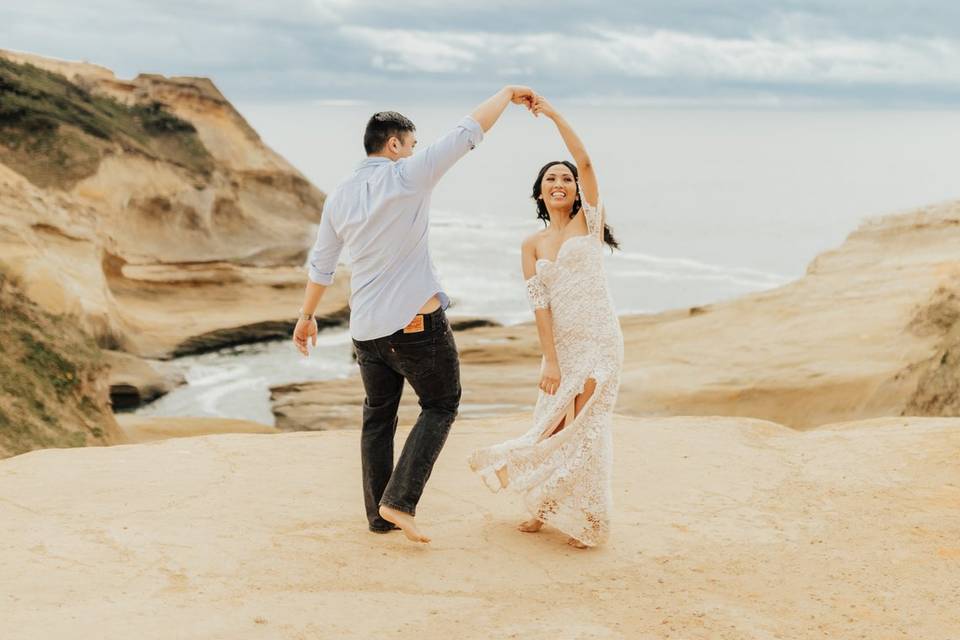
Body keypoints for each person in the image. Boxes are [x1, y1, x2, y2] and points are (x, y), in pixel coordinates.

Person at [292, 86, 537, 544]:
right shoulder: (408, 176)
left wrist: (307, 317)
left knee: (378, 417)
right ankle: (399, 501)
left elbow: (322, 264)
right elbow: (468, 132)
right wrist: (506, 94)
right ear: (394, 145)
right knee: (441, 404)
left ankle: (379, 515)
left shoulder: (339, 196)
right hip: (414, 327)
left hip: (365, 331)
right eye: (412, 144)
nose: (415, 151)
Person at [468, 95, 624, 548]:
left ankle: (592, 521)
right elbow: (540, 306)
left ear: (577, 190)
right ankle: (543, 506)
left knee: (585, 429)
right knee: (551, 426)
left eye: (567, 179)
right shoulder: (531, 244)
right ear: (540, 192)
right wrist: (550, 360)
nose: (561, 182)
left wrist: (553, 114)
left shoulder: (588, 226)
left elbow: (587, 160)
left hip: (600, 341)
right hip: (563, 348)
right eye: (551, 179)